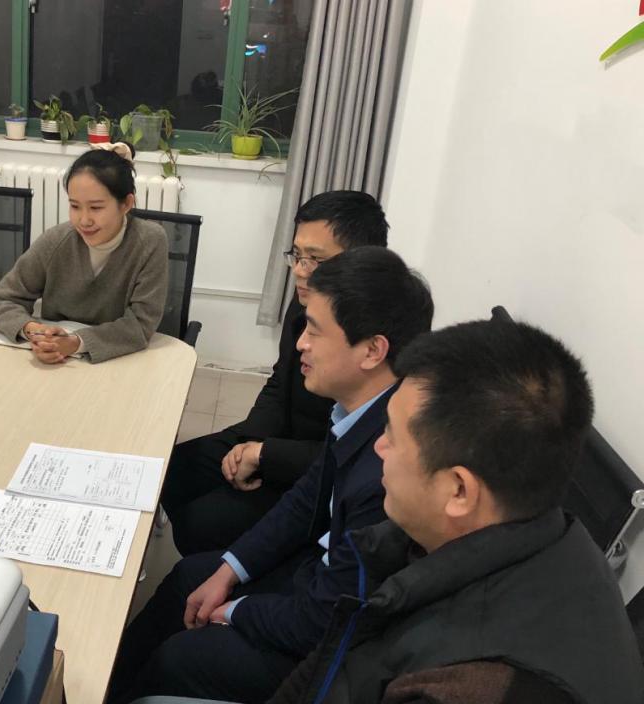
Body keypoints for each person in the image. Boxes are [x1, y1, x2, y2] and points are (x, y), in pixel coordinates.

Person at [108, 247, 434, 704]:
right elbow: (305, 500)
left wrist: (234, 611)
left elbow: (323, 622)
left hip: (326, 650)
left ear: (372, 350)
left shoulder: (388, 467)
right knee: (189, 578)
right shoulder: (356, 410)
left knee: (178, 658)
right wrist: (230, 570)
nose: (301, 343)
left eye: (315, 331)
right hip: (313, 581)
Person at [270, 319, 644, 704]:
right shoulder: (537, 531)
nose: (379, 447)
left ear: (459, 491)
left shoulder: (474, 686)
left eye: (392, 435)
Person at [161, 191, 389, 556]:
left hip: (314, 473)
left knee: (200, 523)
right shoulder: (304, 306)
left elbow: (350, 452)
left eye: (316, 259)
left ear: (360, 261)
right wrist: (248, 443)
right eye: (297, 255)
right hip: (275, 442)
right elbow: (280, 382)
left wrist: (265, 454)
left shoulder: (375, 343)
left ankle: (225, 570)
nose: (300, 270)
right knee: (172, 470)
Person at [0, 142, 168, 364]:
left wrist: (76, 343)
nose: (84, 220)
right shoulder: (57, 241)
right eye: (75, 206)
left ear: (126, 204)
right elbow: (0, 299)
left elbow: (140, 324)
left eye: (96, 208)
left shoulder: (150, 241)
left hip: (118, 361)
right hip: (56, 363)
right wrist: (35, 332)